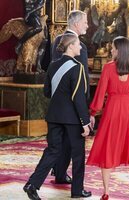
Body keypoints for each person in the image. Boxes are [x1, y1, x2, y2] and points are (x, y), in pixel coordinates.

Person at [23, 33, 92, 200]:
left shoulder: (53, 66)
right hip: (72, 119)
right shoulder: (77, 67)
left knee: (52, 151)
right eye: (78, 44)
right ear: (70, 47)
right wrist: (85, 121)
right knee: (77, 155)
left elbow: (47, 92)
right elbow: (78, 97)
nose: (80, 47)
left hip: (53, 116)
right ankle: (77, 191)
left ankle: (32, 184)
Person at [87, 36, 129, 199]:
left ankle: (106, 191)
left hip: (112, 111)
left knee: (108, 148)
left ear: (119, 50)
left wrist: (93, 112)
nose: (111, 50)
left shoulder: (108, 68)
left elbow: (100, 94)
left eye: (112, 48)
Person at [50, 10, 90, 185]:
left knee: (62, 140)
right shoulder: (77, 45)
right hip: (74, 99)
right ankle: (62, 174)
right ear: (76, 24)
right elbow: (82, 76)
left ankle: (59, 172)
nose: (87, 25)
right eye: (85, 22)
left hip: (57, 100)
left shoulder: (56, 41)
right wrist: (85, 104)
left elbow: (49, 67)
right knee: (72, 141)